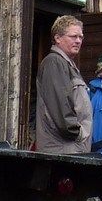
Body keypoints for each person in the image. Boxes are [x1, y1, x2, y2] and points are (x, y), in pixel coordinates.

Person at [35, 15, 92, 154]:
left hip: (71, 147)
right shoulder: (54, 62)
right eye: (73, 36)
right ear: (57, 38)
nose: (78, 41)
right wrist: (77, 133)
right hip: (62, 148)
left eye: (81, 37)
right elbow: (60, 104)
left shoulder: (67, 64)